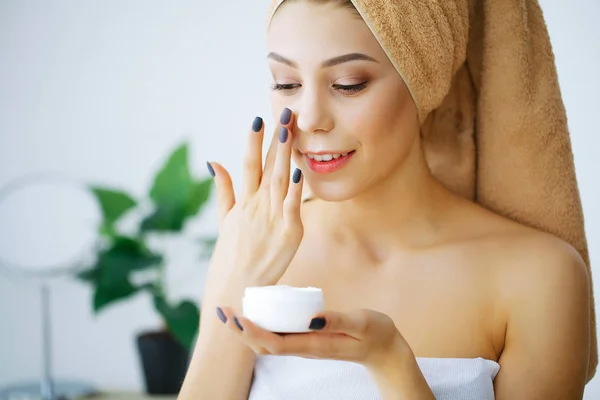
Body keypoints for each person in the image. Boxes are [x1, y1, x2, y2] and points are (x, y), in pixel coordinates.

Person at [178, 0, 594, 399]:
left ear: (424, 81)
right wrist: (236, 280)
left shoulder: (538, 277)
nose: (309, 119)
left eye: (348, 84)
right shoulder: (253, 246)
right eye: (287, 83)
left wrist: (392, 363)